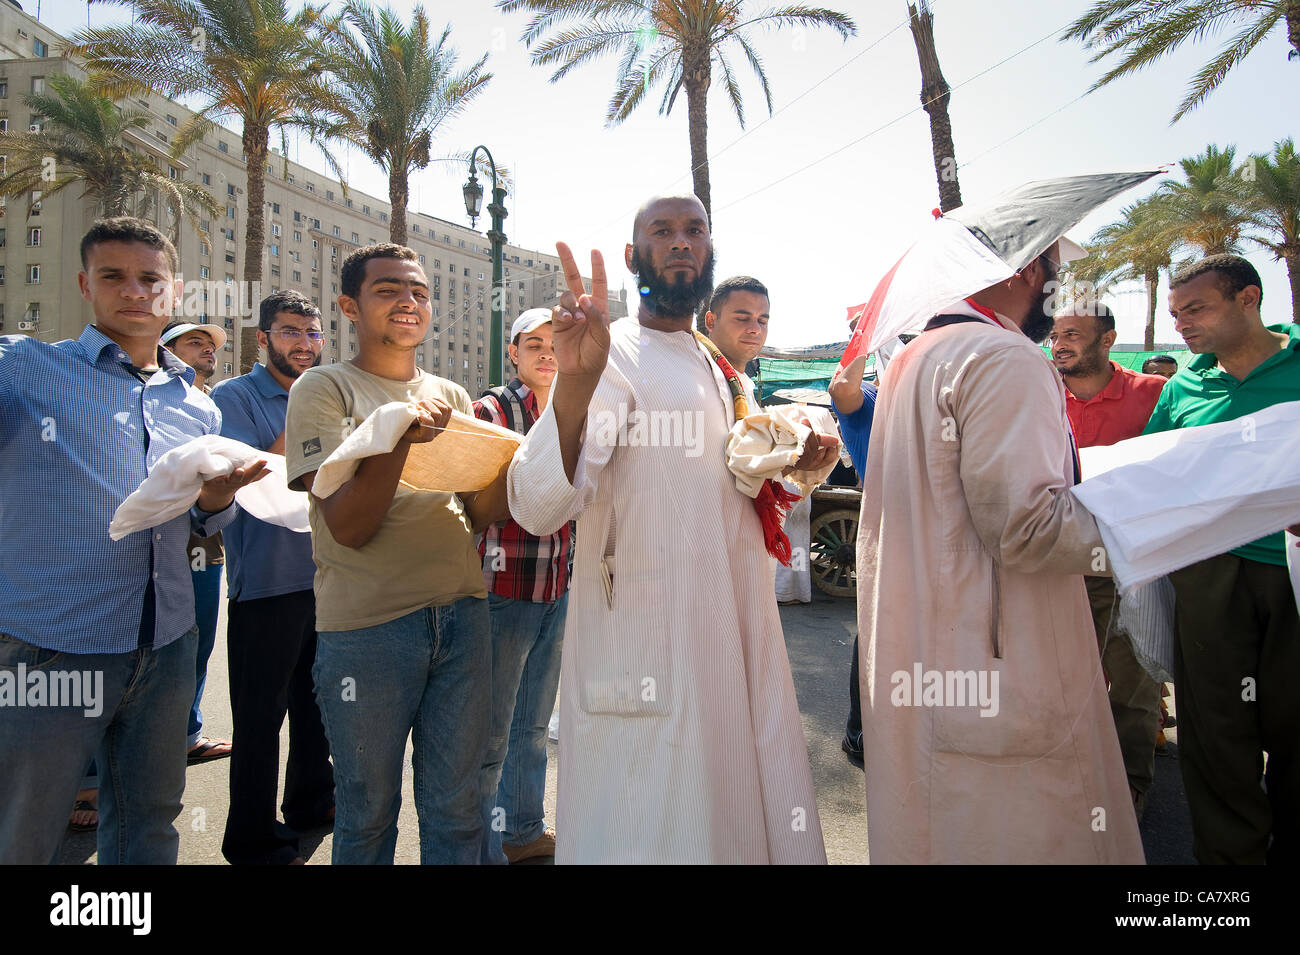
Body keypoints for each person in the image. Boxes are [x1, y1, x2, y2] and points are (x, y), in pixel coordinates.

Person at [507, 194, 838, 864]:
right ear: (633, 258)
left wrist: (797, 465)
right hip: (650, 658)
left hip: (734, 644)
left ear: (711, 254)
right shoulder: (615, 354)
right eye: (662, 231)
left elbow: (730, 484)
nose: (682, 241)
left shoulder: (714, 365)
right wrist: (574, 384)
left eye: (695, 230)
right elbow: (536, 502)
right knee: (655, 830)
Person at [856, 239, 1144, 864]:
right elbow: (1029, 529)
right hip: (1001, 660)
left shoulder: (912, 358)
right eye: (1056, 273)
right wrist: (1155, 508)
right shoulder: (1003, 356)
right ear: (1031, 267)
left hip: (930, 653)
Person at [0, 217, 266, 864]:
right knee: (25, 830)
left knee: (149, 825)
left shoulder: (196, 405)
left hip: (166, 646)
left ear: (172, 291)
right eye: (114, 276)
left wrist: (215, 500)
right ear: (85, 283)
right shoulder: (24, 369)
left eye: (150, 278)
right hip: (52, 649)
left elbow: (198, 526)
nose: (134, 291)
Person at [284, 243, 506, 865]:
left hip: (464, 617)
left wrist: (511, 466)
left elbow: (478, 515)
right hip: (369, 631)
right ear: (349, 306)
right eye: (387, 290)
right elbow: (348, 526)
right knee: (367, 814)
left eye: (418, 291)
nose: (408, 302)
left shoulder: (452, 395)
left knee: (458, 811)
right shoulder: (324, 388)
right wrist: (399, 438)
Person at [1142, 254, 1300, 864]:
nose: (1181, 324)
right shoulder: (1183, 387)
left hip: (1291, 572)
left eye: (1196, 309)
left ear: (1248, 299)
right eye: (1176, 313)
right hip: (1207, 574)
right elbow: (1151, 470)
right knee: (1216, 736)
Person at [210, 291, 335, 865]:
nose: (305, 344)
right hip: (265, 583)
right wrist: (307, 411)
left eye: (312, 333)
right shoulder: (231, 398)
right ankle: (252, 836)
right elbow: (260, 477)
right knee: (260, 720)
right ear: (262, 339)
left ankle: (312, 802)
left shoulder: (329, 392)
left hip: (328, 578)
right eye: (290, 332)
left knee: (318, 706)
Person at [1050, 303, 1167, 817]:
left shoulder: (1155, 394)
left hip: (1134, 560)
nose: (1060, 344)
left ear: (1108, 339)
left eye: (1074, 334)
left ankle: (1129, 792)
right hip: (1062, 562)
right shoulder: (1041, 396)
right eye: (1054, 334)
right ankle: (1070, 787)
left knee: (1133, 677)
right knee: (1065, 676)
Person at [474, 309, 574, 865]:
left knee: (534, 724)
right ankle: (483, 843)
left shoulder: (573, 408)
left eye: (555, 344)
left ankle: (524, 830)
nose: (546, 354)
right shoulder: (490, 410)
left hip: (557, 585)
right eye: (533, 344)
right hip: (501, 589)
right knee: (492, 730)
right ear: (512, 352)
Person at [161, 321, 234, 766]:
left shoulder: (208, 404)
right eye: (195, 342)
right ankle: (90, 777)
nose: (208, 350)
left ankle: (188, 732)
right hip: (154, 546)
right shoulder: (147, 397)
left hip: (206, 545)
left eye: (210, 345)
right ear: (165, 349)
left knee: (200, 642)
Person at [827, 341, 877, 767]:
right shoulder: (871, 400)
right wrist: (873, 334)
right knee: (878, 635)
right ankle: (858, 732)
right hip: (888, 537)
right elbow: (843, 388)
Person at [703, 275, 769, 404]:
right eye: (742, 319)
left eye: (762, 321)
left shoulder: (747, 387)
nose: (756, 329)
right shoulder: (695, 381)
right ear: (711, 321)